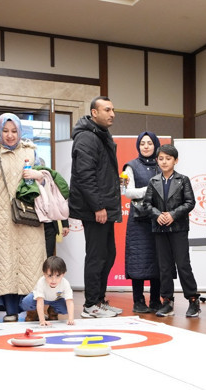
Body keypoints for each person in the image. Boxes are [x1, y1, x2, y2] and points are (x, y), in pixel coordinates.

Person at [0, 113, 46, 322]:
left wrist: (38, 176)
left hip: (28, 215)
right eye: (5, 131)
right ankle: (10, 311)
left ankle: (31, 308)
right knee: (3, 261)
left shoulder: (32, 152)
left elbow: (45, 180)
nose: (10, 135)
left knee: (30, 261)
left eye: (14, 131)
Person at [69, 95, 123, 319]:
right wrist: (98, 206)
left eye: (113, 110)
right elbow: (85, 176)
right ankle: (90, 304)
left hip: (105, 207)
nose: (112, 114)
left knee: (108, 254)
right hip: (95, 209)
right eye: (107, 110)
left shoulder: (101, 135)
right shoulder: (86, 138)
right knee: (96, 255)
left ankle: (99, 300)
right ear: (94, 113)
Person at [140, 144, 201, 318]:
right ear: (157, 161)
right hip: (159, 229)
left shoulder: (183, 180)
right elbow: (146, 204)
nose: (164, 162)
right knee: (164, 267)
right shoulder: (153, 181)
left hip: (179, 228)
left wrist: (173, 215)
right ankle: (167, 302)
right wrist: (158, 215)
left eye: (168, 158)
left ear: (176, 160)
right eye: (161, 159)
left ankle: (193, 300)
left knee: (183, 265)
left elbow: (190, 202)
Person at [120, 131, 162, 313]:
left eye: (149, 143)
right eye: (143, 143)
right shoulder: (131, 166)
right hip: (138, 221)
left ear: (155, 145)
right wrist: (150, 189)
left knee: (158, 260)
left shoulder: (162, 164)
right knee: (138, 260)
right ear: (138, 146)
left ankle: (155, 300)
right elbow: (127, 192)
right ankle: (138, 301)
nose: (146, 146)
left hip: (159, 218)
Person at [19, 255, 75, 326]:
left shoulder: (65, 283)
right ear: (44, 274)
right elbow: (40, 301)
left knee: (66, 308)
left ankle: (53, 311)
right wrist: (42, 320)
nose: (53, 280)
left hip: (56, 300)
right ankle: (32, 313)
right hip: (40, 299)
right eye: (50, 276)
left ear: (63, 274)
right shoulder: (41, 282)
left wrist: (71, 319)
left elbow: (70, 302)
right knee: (26, 302)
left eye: (57, 276)